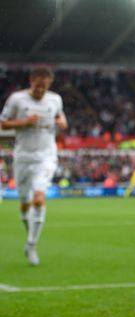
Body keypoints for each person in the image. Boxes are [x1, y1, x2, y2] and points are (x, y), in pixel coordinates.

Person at [0, 66, 67, 266]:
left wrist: (62, 122)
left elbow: (60, 116)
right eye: (37, 86)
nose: (40, 91)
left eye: (44, 87)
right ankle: (29, 234)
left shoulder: (55, 99)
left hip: (46, 155)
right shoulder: (17, 99)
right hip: (23, 156)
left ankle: (31, 244)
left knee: (39, 199)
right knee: (24, 203)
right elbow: (3, 123)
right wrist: (25, 122)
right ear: (31, 82)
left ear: (49, 85)